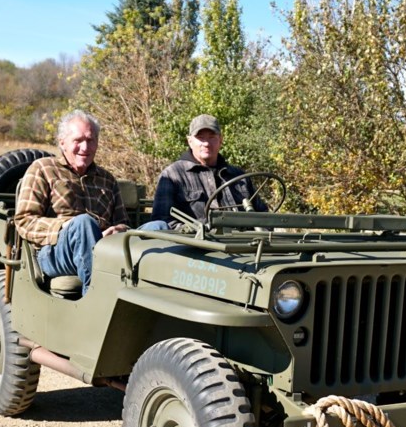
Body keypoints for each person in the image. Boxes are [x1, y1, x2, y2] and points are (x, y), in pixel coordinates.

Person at [14, 109, 165, 295]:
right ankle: (95, 298)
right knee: (83, 223)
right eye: (78, 141)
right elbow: (24, 221)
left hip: (104, 247)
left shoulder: (107, 179)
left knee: (158, 227)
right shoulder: (43, 169)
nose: (85, 148)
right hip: (55, 252)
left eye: (91, 140)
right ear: (63, 143)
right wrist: (65, 225)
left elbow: (123, 222)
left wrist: (119, 230)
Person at [150, 114, 268, 229]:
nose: (206, 143)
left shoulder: (239, 176)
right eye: (200, 138)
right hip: (194, 246)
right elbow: (162, 220)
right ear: (190, 141)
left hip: (243, 245)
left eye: (212, 137)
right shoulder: (172, 175)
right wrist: (189, 231)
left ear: (220, 140)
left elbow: (263, 215)